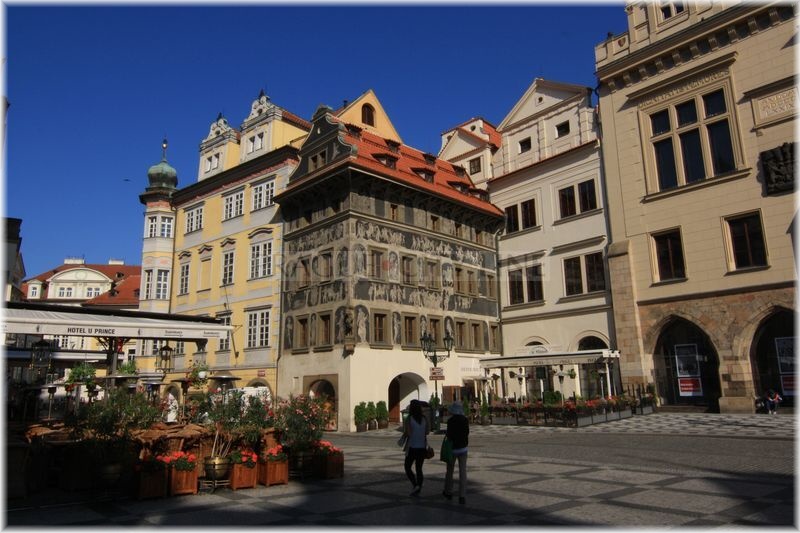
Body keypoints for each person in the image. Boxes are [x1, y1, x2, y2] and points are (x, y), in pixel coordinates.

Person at [442, 402, 469, 505]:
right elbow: (467, 432)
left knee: (450, 471)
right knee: (463, 472)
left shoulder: (451, 421)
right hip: (463, 449)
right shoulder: (465, 420)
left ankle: (448, 492)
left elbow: (449, 434)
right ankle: (462, 495)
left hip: (453, 449)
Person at [403, 399, 430, 496]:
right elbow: (427, 432)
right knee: (419, 468)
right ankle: (418, 486)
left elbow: (408, 433)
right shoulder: (424, 418)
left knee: (407, 467)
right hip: (422, 447)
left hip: (412, 447)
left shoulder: (409, 418)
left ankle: (415, 485)